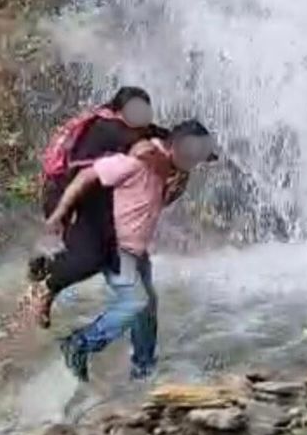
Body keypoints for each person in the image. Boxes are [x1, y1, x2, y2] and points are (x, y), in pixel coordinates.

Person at [50, 120, 215, 381]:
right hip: (113, 242)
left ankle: (143, 368)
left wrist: (173, 190)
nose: (194, 165)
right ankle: (80, 344)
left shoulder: (169, 168)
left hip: (134, 246)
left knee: (147, 306)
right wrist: (61, 213)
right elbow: (89, 175)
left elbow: (150, 203)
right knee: (136, 302)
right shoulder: (141, 158)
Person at [20, 87, 159, 328]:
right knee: (91, 257)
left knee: (118, 253)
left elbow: (154, 134)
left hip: (83, 194)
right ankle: (44, 288)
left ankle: (43, 264)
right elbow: (142, 146)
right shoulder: (112, 131)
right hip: (70, 196)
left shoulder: (105, 119)